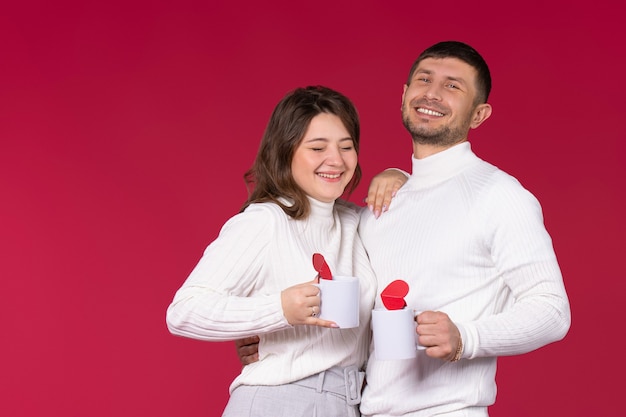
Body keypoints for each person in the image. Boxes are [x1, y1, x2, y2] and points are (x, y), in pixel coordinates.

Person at [237, 41, 571, 417]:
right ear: (404, 96)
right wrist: (283, 344)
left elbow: (551, 311)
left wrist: (466, 337)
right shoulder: (381, 207)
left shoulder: (499, 195)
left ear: (478, 115)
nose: (432, 93)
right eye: (424, 79)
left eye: (452, 86)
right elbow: (361, 316)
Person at [166, 85, 380, 417]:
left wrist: (397, 176)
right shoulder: (266, 222)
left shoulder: (357, 223)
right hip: (280, 402)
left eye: (346, 147)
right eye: (317, 147)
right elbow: (184, 311)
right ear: (286, 152)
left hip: (350, 404)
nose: (336, 160)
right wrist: (279, 310)